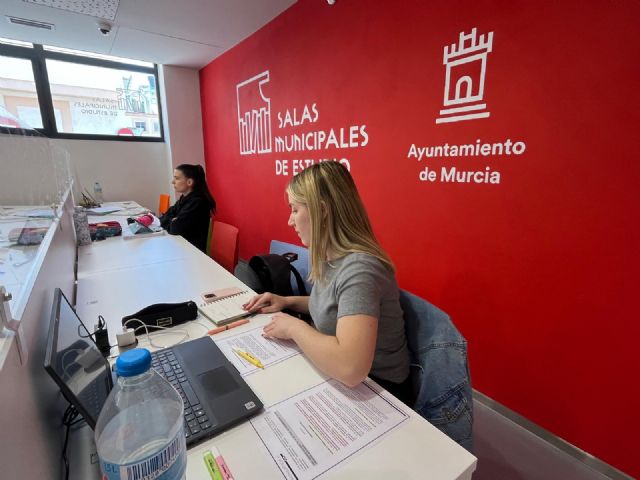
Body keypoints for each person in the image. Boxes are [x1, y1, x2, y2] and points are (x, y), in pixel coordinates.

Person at [244, 162, 412, 404]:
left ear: (321, 211)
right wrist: (286, 301)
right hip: (349, 380)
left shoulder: (360, 270)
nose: (290, 221)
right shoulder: (331, 257)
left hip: (379, 391)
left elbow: (351, 368)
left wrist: (294, 328)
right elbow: (333, 306)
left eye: (295, 210)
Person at [159, 164, 216, 253]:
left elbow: (175, 228)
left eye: (177, 178)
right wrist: (172, 220)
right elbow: (164, 217)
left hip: (193, 251)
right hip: (182, 245)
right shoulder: (184, 198)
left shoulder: (198, 202)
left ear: (189, 182)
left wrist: (173, 221)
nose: (173, 182)